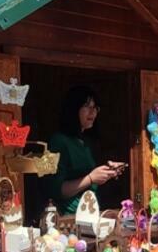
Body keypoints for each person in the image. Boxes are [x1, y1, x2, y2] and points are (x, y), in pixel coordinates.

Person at [43, 86, 126, 215]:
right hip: (68, 218)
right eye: (88, 106)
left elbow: (90, 175)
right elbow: (56, 189)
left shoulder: (86, 141)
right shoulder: (58, 141)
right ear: (74, 109)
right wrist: (91, 178)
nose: (93, 112)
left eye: (95, 107)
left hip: (90, 214)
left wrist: (107, 171)